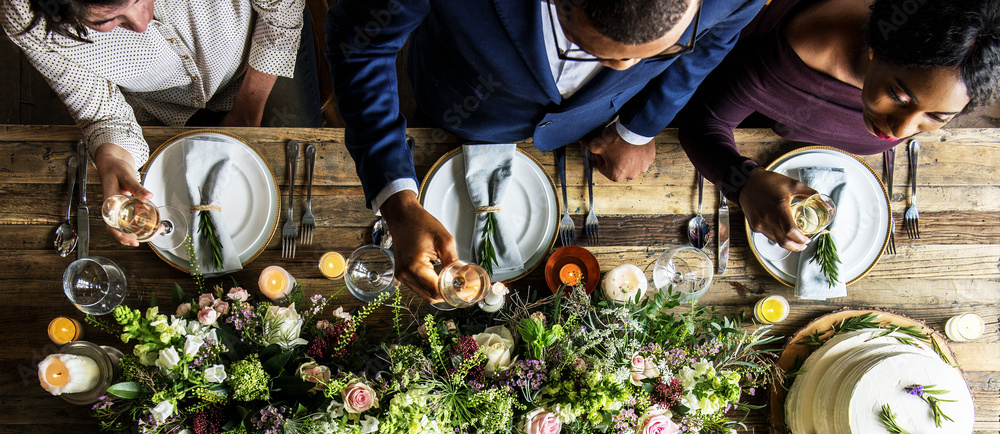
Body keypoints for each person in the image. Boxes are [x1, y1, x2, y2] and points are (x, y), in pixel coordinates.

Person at [325, 0, 769, 301]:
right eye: (598, 52)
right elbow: (361, 46)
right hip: (463, 102)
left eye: (658, 50)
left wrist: (638, 127)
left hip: (600, 122)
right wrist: (397, 204)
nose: (623, 69)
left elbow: (712, 41)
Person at [676, 0, 1000, 250]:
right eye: (898, 96)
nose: (901, 131)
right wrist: (743, 182)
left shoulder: (953, 77)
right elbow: (702, 121)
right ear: (875, 47)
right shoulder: (780, 61)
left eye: (937, 117)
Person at [1, 0, 321, 246]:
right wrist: (112, 157)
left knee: (304, 172)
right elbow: (103, 112)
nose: (142, 23)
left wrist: (248, 110)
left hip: (264, 48)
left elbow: (281, 13)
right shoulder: (25, 16)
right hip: (161, 102)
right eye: (107, 20)